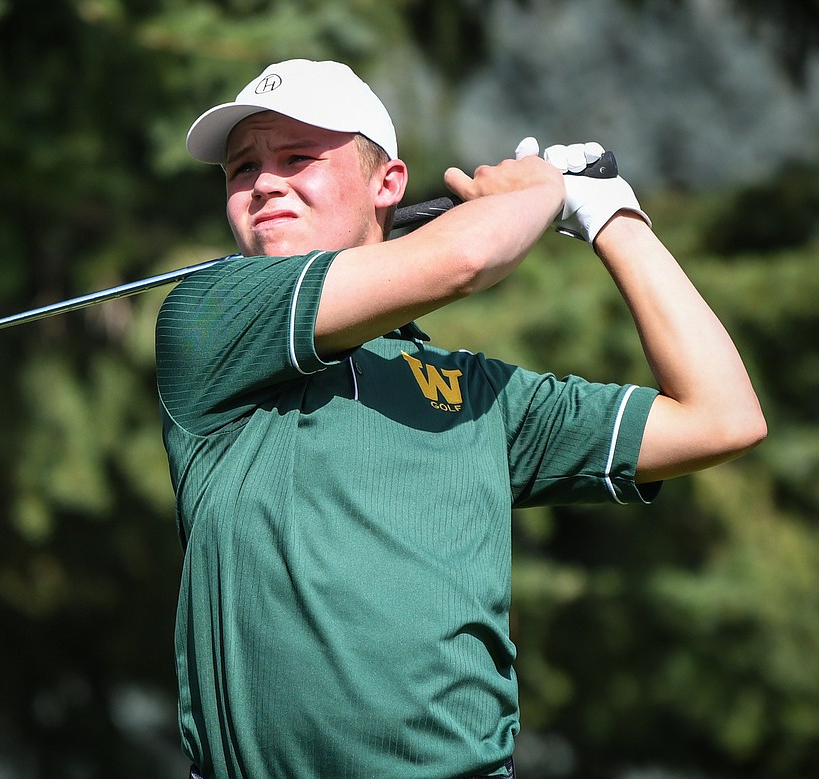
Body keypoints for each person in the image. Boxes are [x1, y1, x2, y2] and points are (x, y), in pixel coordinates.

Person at [154, 59, 765, 779]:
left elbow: (721, 417)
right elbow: (466, 257)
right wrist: (547, 191)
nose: (263, 183)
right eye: (241, 168)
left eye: (297, 158)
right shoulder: (211, 315)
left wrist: (610, 216)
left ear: (387, 185)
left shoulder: (476, 392)